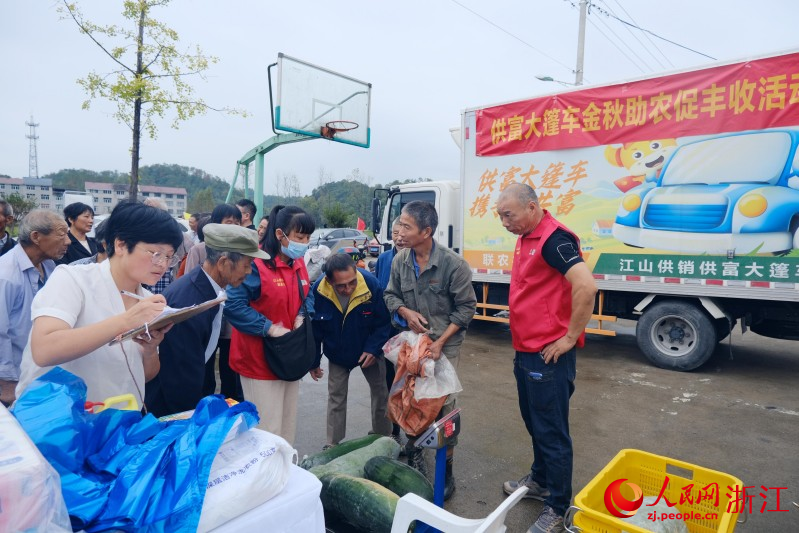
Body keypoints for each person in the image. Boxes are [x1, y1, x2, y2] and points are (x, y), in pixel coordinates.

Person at [496, 183, 597, 533]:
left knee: (552, 431)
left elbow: (586, 286)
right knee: (534, 421)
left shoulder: (554, 240)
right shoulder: (528, 236)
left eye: (508, 215)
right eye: (500, 216)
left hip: (547, 357)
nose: (504, 222)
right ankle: (540, 480)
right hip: (526, 350)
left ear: (532, 207)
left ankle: (557, 506)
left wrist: (569, 337)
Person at [15, 201, 184, 407]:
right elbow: (44, 350)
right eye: (156, 254)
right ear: (121, 244)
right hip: (59, 423)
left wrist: (149, 350)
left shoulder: (145, 298)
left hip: (116, 422)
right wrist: (127, 320)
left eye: (169, 257)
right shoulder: (72, 279)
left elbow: (145, 376)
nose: (163, 264)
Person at [383, 200, 476, 500]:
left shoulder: (453, 265)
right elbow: (390, 295)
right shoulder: (400, 260)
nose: (400, 231)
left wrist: (438, 344)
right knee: (410, 399)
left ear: (427, 231)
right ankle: (415, 455)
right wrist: (406, 312)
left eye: (407, 226)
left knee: (443, 406)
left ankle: (446, 468)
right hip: (412, 344)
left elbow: (466, 309)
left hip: (444, 346)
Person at [145, 224, 268, 417]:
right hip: (170, 411)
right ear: (223, 263)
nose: (249, 271)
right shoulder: (189, 304)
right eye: (247, 264)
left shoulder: (207, 289)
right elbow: (180, 376)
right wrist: (192, 419)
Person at [224, 205, 320, 444]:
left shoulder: (298, 264)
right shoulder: (255, 265)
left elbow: (308, 293)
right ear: (280, 234)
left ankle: (285, 476)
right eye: (300, 237)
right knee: (267, 432)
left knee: (286, 429)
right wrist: (268, 327)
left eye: (308, 237)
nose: (305, 242)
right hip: (258, 360)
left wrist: (301, 314)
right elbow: (233, 306)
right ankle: (266, 479)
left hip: (289, 356)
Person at [312, 253, 393, 448]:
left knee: (381, 393)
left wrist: (373, 350)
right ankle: (333, 444)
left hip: (369, 351)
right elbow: (315, 330)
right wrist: (314, 361)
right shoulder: (319, 291)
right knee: (336, 396)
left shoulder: (371, 285)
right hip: (338, 353)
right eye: (341, 285)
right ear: (329, 281)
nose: (347, 289)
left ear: (356, 272)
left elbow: (383, 324)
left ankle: (383, 438)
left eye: (351, 282)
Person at [0, 210, 70, 406]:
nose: (68, 241)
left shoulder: (51, 268)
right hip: (13, 380)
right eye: (61, 234)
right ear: (36, 237)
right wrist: (6, 382)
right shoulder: (5, 275)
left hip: (40, 372)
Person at [373, 217, 405, 444]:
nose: (399, 237)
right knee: (389, 383)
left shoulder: (415, 259)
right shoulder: (384, 259)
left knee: (409, 384)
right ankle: (393, 430)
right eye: (395, 232)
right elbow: (378, 294)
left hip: (411, 334)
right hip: (388, 332)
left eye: (404, 231)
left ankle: (413, 431)